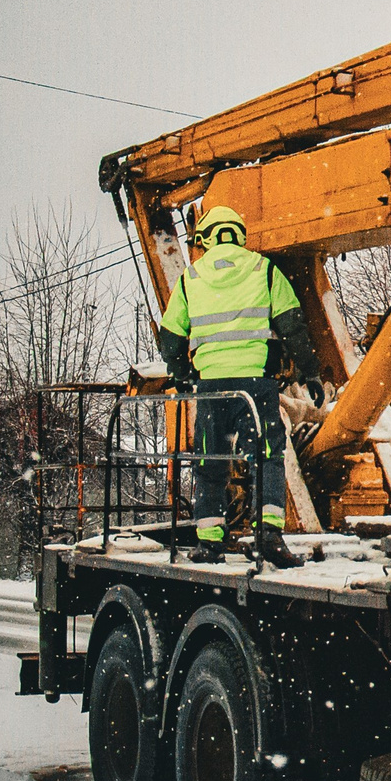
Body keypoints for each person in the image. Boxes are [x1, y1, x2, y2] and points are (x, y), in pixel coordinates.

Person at [157, 205, 317, 568]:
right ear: (240, 234)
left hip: (212, 388)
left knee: (210, 460)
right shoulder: (264, 270)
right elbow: (293, 325)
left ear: (206, 238)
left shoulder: (190, 278)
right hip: (255, 387)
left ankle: (210, 543)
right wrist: (310, 374)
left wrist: (182, 372)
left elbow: (170, 336)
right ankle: (268, 537)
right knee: (266, 457)